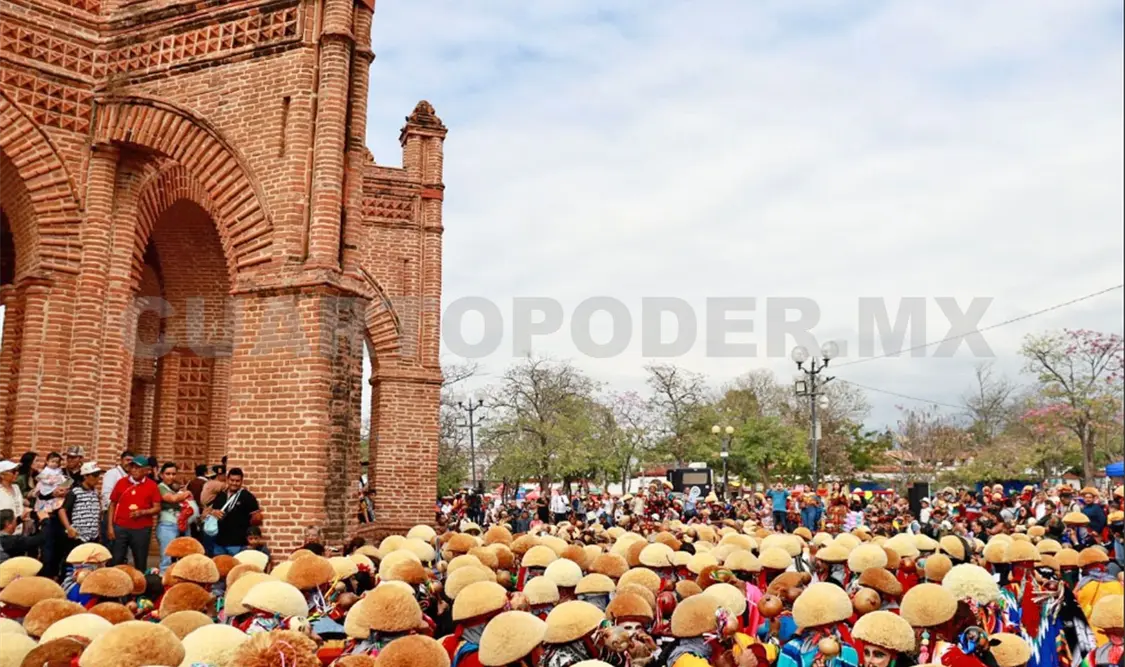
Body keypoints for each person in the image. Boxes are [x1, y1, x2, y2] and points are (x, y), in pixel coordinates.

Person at [108, 455, 162, 568]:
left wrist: (142, 512)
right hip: (121, 527)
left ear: (146, 470)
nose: (134, 470)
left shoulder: (152, 486)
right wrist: (110, 527)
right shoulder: (121, 483)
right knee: (117, 559)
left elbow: (157, 508)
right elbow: (112, 504)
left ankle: (140, 584)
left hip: (141, 529)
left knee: (140, 561)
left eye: (138, 468)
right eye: (132, 467)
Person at [57, 461, 103, 574]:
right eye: (95, 475)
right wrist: (69, 528)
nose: (97, 479)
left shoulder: (95, 492)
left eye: (98, 476)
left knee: (90, 566)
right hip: (78, 537)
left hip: (93, 536)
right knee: (73, 566)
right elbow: (62, 510)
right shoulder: (75, 492)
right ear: (86, 476)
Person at [206, 467, 261, 556]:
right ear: (227, 479)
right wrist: (214, 512)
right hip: (219, 542)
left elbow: (257, 517)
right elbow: (212, 510)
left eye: (237, 481)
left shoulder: (247, 496)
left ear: (241, 481)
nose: (234, 483)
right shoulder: (221, 495)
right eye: (232, 480)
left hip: (238, 543)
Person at [156, 462, 194, 573]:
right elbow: (172, 499)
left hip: (181, 524)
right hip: (167, 524)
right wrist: (186, 493)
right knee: (166, 559)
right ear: (162, 475)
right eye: (168, 474)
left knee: (185, 555)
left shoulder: (174, 487)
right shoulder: (160, 487)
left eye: (173, 474)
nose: (171, 476)